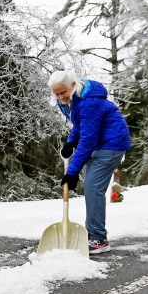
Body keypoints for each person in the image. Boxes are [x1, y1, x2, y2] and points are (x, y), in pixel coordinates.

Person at [48, 70, 131, 254]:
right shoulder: (75, 100)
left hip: (111, 144)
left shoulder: (88, 103)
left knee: (93, 188)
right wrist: (71, 141)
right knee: (92, 187)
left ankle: (98, 238)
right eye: (57, 94)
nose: (61, 97)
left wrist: (72, 172)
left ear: (73, 85)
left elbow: (88, 140)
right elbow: (81, 126)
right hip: (99, 144)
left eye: (63, 92)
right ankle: (94, 233)